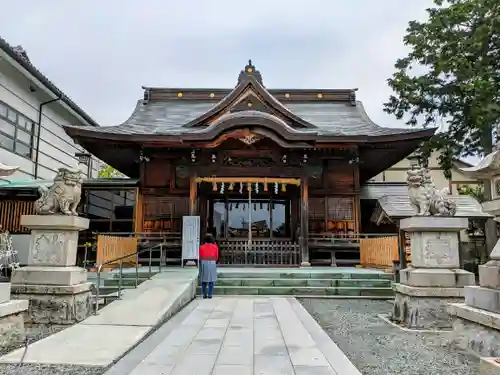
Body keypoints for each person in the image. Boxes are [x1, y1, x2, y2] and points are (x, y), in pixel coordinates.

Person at [198, 233, 219, 299]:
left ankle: (204, 295)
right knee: (211, 279)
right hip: (212, 262)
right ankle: (210, 294)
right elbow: (216, 256)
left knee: (203, 280)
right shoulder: (215, 247)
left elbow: (200, 256)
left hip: (204, 262)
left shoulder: (201, 247)